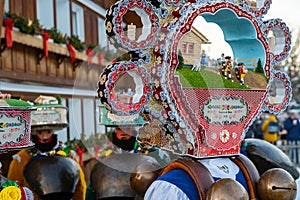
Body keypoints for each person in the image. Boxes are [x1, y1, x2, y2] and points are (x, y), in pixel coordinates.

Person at [7, 127, 87, 200]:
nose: (44, 136)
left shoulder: (68, 154)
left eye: (48, 132)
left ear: (53, 130)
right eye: (40, 132)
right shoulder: (21, 158)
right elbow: (12, 189)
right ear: (34, 132)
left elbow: (80, 187)